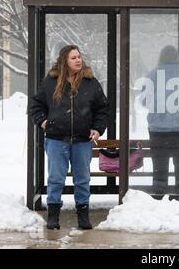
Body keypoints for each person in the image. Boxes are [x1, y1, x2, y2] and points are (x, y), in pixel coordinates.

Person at [29, 45, 109, 230]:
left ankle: (83, 216)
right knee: (56, 178)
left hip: (82, 140)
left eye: (79, 57)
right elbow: (36, 105)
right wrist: (42, 121)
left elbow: (102, 109)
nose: (78, 60)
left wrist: (97, 129)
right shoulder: (51, 81)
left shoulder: (90, 82)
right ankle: (53, 215)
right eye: (73, 58)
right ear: (65, 60)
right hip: (56, 139)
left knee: (82, 179)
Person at [142, 45, 179, 194]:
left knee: (159, 167)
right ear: (177, 57)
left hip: (157, 131)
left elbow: (144, 101)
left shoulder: (152, 75)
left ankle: (159, 193)